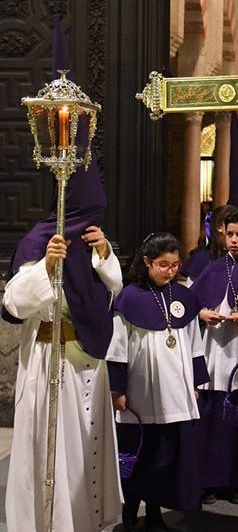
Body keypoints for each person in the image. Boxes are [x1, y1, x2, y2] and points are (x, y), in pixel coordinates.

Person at [2, 163, 122, 532]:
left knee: (87, 444)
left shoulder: (90, 240)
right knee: (54, 446)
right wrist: (47, 264)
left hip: (87, 360)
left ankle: (85, 519)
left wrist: (104, 255)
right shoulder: (39, 240)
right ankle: (49, 522)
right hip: (51, 360)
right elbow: (14, 303)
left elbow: (113, 289)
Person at [106, 231, 208, 531]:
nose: (171, 271)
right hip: (141, 391)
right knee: (139, 456)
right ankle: (129, 515)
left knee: (165, 457)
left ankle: (154, 513)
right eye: (164, 265)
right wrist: (118, 388)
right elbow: (118, 347)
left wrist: (196, 383)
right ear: (148, 262)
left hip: (177, 391)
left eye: (176, 265)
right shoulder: (129, 297)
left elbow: (194, 342)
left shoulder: (184, 297)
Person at [190, 206, 238, 504]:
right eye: (229, 234)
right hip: (213, 349)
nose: (233, 240)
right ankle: (208, 482)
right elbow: (192, 301)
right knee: (211, 419)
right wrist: (202, 312)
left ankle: (237, 483)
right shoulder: (212, 267)